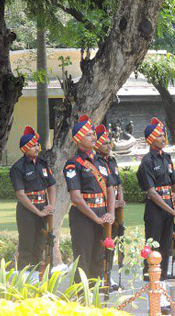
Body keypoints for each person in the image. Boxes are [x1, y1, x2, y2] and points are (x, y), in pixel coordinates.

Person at [136, 118, 175, 299]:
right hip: (155, 211)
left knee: (166, 248)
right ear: (150, 139)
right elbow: (152, 192)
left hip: (169, 209)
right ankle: (153, 290)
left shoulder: (166, 158)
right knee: (153, 248)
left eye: (163, 134)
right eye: (158, 135)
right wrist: (172, 210)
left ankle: (163, 291)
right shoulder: (147, 162)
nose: (163, 137)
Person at [63, 115, 115, 281]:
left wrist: (111, 214)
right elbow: (76, 198)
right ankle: (82, 298)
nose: (93, 137)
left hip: (102, 214)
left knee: (100, 257)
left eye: (93, 134)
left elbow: (110, 189)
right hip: (83, 216)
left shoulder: (102, 161)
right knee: (83, 259)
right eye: (89, 135)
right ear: (78, 139)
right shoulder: (73, 164)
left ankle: (97, 296)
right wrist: (96, 218)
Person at [9, 126, 56, 270]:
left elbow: (51, 187)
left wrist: (50, 206)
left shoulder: (43, 164)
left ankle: (36, 277)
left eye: (37, 144)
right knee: (26, 247)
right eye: (33, 145)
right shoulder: (18, 167)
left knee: (40, 245)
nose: (37, 147)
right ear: (25, 148)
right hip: (27, 212)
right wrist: (38, 212)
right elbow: (20, 195)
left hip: (43, 210)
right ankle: (24, 280)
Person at [94, 123, 123, 290]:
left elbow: (118, 184)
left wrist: (121, 200)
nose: (109, 145)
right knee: (101, 244)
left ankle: (109, 276)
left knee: (113, 243)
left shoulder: (112, 161)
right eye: (105, 143)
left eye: (109, 142)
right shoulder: (96, 161)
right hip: (102, 209)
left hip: (115, 208)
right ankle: (100, 276)